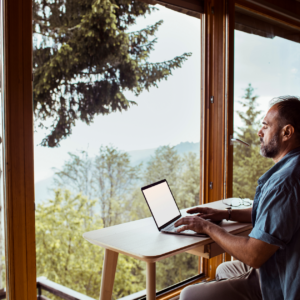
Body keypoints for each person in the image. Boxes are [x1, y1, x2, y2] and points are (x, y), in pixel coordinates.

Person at [175, 96, 300, 300]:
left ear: (287, 132)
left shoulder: (284, 182)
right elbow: (276, 215)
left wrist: (206, 226)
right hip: (280, 264)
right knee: (225, 269)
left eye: (266, 126)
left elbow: (253, 255)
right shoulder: (294, 168)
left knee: (189, 295)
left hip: (281, 284)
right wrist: (225, 213)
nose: (259, 132)